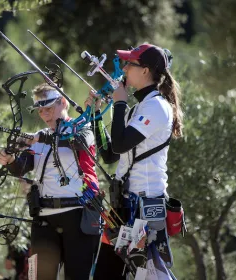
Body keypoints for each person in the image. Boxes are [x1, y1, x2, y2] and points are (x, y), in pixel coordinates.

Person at [85, 43, 183, 278]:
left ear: (145, 71)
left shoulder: (158, 107)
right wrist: (96, 115)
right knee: (105, 273)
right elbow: (110, 154)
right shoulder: (138, 108)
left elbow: (119, 144)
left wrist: (119, 102)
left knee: (145, 274)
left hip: (145, 208)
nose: (125, 68)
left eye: (130, 64)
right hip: (123, 205)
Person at [0, 83, 101, 280]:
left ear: (63, 102)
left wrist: (39, 138)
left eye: (49, 108)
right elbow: (21, 166)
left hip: (77, 216)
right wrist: (9, 160)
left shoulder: (83, 128)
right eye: (40, 110)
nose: (45, 115)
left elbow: (80, 143)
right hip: (44, 218)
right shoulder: (40, 138)